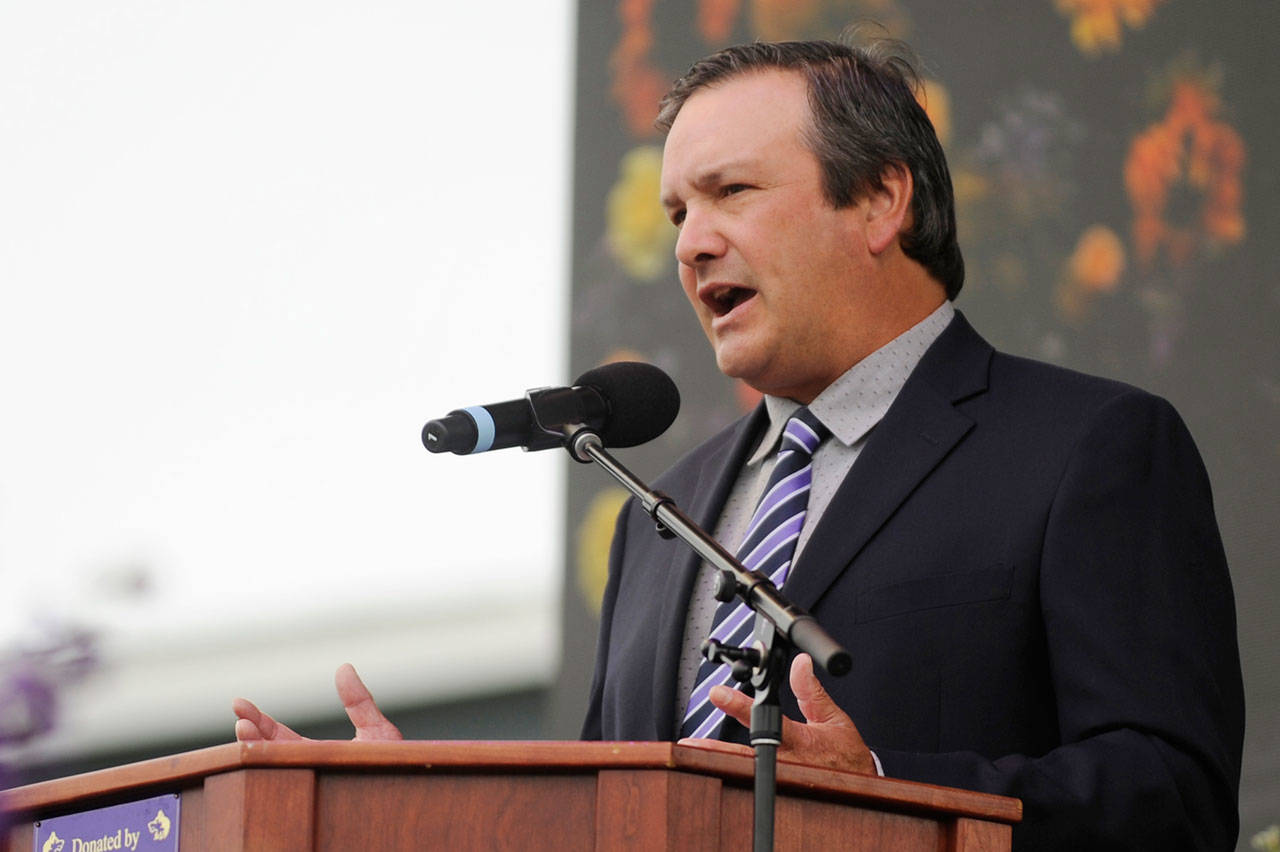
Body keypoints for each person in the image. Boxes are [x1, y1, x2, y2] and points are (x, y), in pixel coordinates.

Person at [236, 39, 1244, 850]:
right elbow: (608, 816)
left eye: (731, 193)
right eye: (678, 211)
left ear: (879, 200)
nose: (690, 243)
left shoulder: (1086, 447)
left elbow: (1170, 797)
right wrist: (420, 815)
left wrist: (882, 789)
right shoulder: (661, 515)